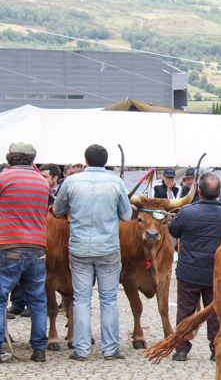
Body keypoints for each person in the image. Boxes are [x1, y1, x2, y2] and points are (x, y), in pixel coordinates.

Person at [53, 144, 132, 361]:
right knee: (109, 300)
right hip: (107, 247)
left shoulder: (70, 181)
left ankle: (81, 349)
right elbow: (126, 216)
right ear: (105, 162)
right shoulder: (116, 182)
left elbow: (57, 210)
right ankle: (110, 349)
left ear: (85, 161)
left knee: (81, 299)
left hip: (79, 247)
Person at [170, 172, 221, 361]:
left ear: (198, 191)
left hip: (189, 271)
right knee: (215, 312)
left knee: (185, 310)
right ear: (218, 193)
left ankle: (182, 349)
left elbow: (173, 230)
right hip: (215, 273)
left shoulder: (186, 212)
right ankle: (216, 350)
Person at [0, 142, 51, 362]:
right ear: (32, 159)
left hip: (9, 246)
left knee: (1, 298)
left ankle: (1, 348)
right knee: (38, 300)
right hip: (38, 246)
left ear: (10, 158)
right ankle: (39, 349)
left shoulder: (4, 179)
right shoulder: (42, 181)